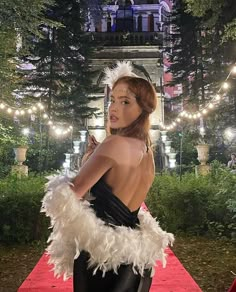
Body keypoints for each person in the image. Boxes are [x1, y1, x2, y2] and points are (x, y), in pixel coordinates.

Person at [41, 61, 174, 292]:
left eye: (125, 102)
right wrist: (91, 160)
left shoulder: (113, 143)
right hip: (135, 257)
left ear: (144, 108)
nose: (113, 108)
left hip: (101, 257)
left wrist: (84, 165)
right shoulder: (147, 151)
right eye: (112, 100)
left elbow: (72, 196)